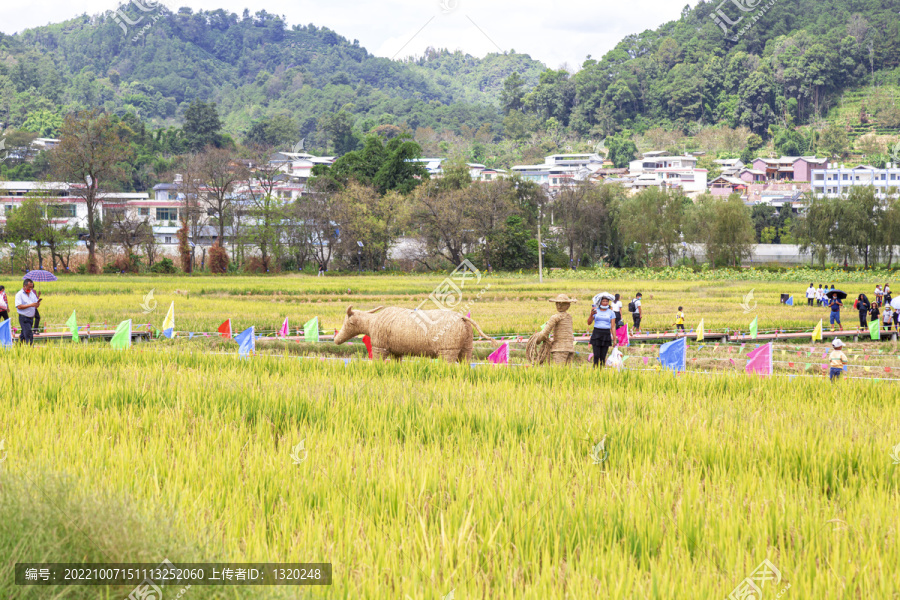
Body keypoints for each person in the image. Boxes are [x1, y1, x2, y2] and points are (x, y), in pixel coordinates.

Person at [588, 294, 617, 368]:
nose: (605, 303)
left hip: (606, 334)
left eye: (607, 301)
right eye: (603, 301)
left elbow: (613, 326)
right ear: (600, 302)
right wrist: (591, 315)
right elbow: (589, 323)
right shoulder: (595, 311)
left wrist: (614, 339)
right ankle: (595, 371)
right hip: (596, 333)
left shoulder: (611, 312)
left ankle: (601, 372)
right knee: (596, 356)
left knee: (603, 356)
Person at [15, 278, 42, 345]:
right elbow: (19, 306)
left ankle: (17, 348)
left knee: (24, 335)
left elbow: (35, 303)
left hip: (31, 318)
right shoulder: (19, 294)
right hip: (24, 318)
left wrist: (37, 304)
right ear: (24, 286)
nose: (30, 289)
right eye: (29, 287)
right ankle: (30, 350)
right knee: (29, 334)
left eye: (32, 287)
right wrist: (31, 305)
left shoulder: (32, 294)